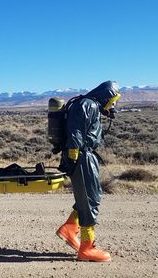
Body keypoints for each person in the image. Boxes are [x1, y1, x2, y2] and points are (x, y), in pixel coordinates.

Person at [55, 80, 121, 262]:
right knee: (89, 202)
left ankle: (69, 227)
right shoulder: (88, 105)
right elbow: (76, 132)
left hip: (85, 156)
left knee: (91, 196)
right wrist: (74, 158)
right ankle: (86, 247)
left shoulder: (90, 105)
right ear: (106, 95)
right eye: (113, 100)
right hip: (82, 157)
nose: (113, 105)